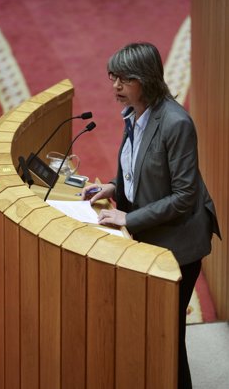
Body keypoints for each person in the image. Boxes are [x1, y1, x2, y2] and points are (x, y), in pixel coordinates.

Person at [82, 42, 221, 389]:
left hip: (179, 245)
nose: (115, 87)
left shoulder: (176, 124)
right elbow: (141, 167)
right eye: (113, 78)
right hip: (149, 236)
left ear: (145, 79)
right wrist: (115, 187)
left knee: (166, 335)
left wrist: (128, 219)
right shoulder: (135, 114)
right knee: (149, 328)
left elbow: (185, 196)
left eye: (124, 80)